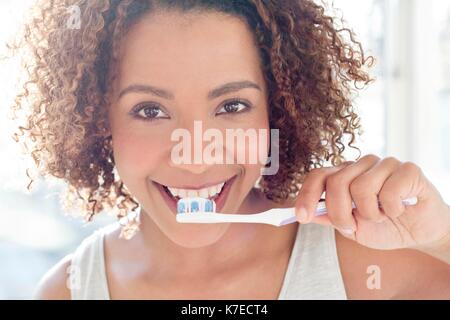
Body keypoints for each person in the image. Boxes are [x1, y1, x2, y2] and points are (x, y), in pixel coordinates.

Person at [10, 0, 449, 299]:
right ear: (98, 120)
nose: (197, 156)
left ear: (275, 111)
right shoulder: (70, 289)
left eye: (232, 106)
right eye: (149, 110)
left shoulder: (368, 265)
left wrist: (443, 236)